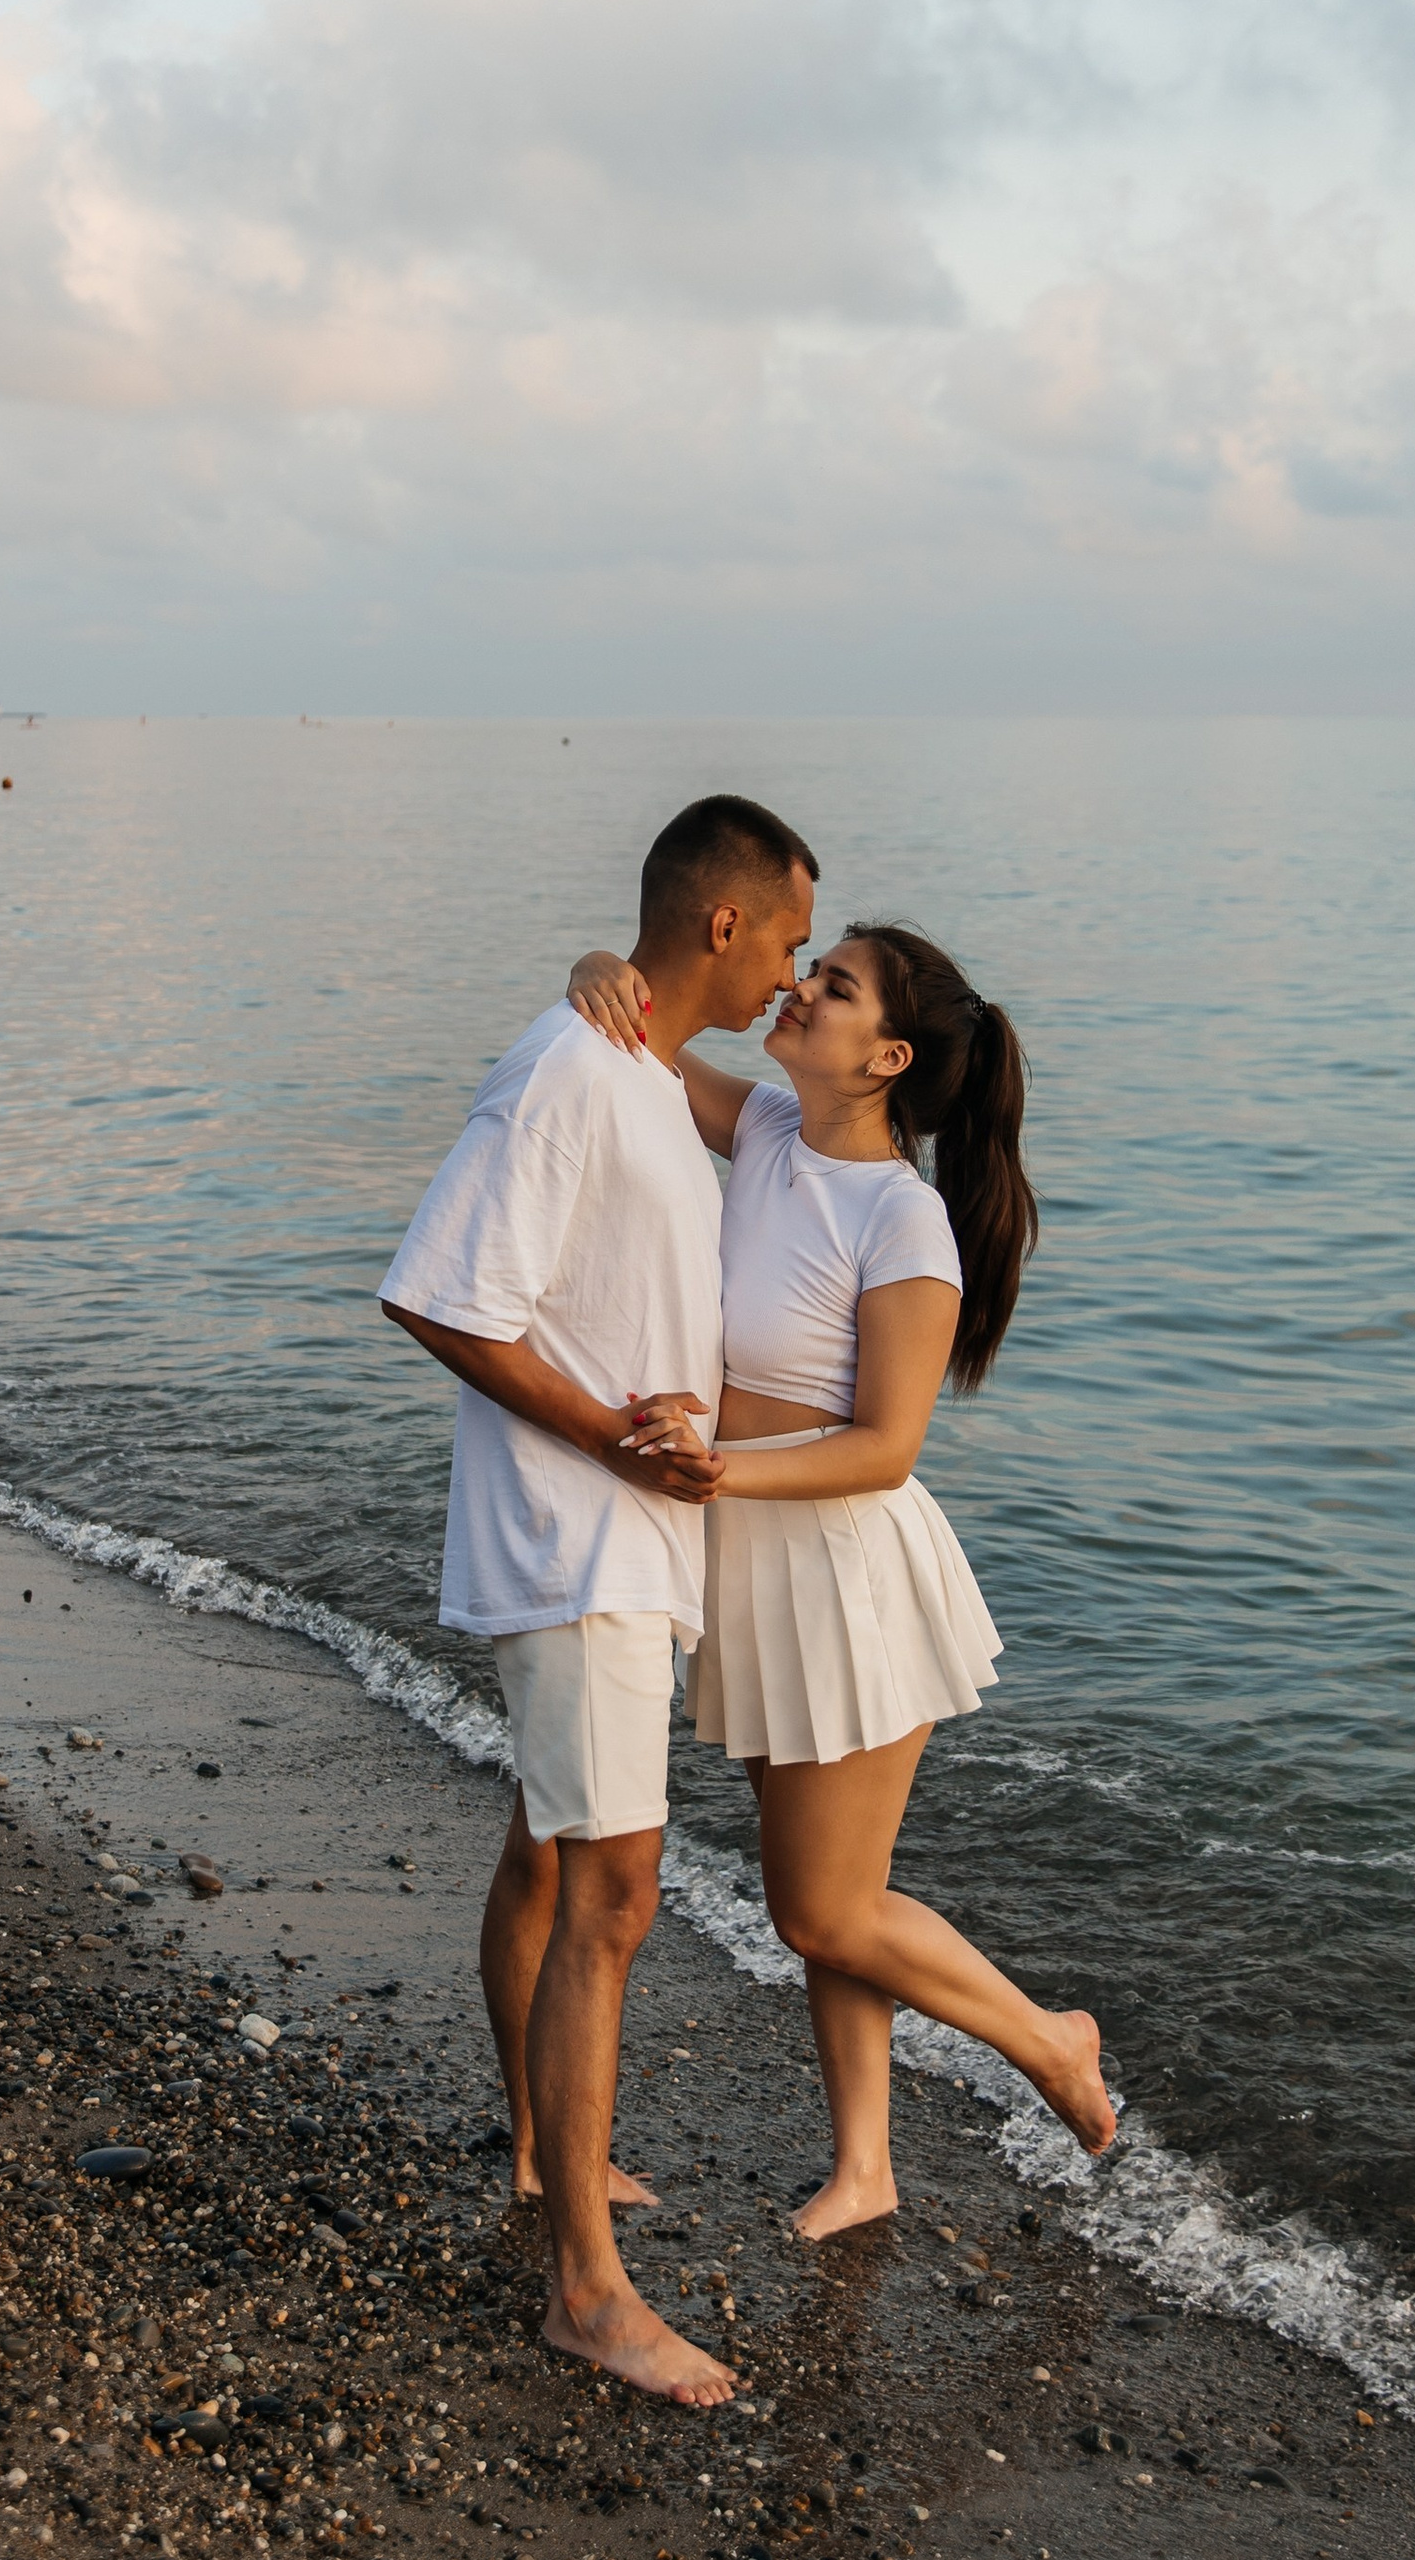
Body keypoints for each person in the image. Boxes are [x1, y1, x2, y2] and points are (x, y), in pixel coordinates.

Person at [566, 921, 1114, 2240]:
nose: (801, 989)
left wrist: (718, 1470)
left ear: (888, 1058)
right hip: (752, 1566)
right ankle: (866, 2167)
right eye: (814, 971)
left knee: (821, 1909)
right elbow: (642, 1049)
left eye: (837, 985)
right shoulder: (765, 1129)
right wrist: (596, 973)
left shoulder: (904, 1219)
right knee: (837, 1900)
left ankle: (1050, 2040)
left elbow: (886, 1448)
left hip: (843, 1577)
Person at [378, 795, 818, 2403]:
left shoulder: (642, 1069)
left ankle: (536, 2153)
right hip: (579, 1546)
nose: (791, 975)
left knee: (553, 1854)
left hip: (618, 1546)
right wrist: (611, 1441)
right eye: (787, 940)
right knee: (614, 1897)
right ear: (722, 922)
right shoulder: (570, 1068)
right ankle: (585, 2288)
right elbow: (441, 1298)